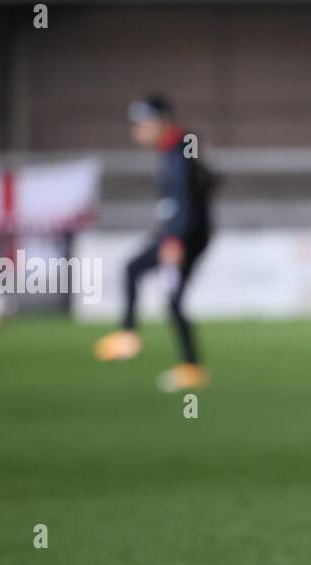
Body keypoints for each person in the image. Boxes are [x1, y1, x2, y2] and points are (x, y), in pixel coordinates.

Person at [94, 95, 213, 391]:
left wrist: (175, 240)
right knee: (139, 274)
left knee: (167, 296)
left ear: (160, 122)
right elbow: (207, 182)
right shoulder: (180, 146)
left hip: (183, 235)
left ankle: (186, 365)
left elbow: (184, 197)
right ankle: (133, 338)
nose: (137, 129)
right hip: (182, 231)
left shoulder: (179, 149)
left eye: (142, 123)